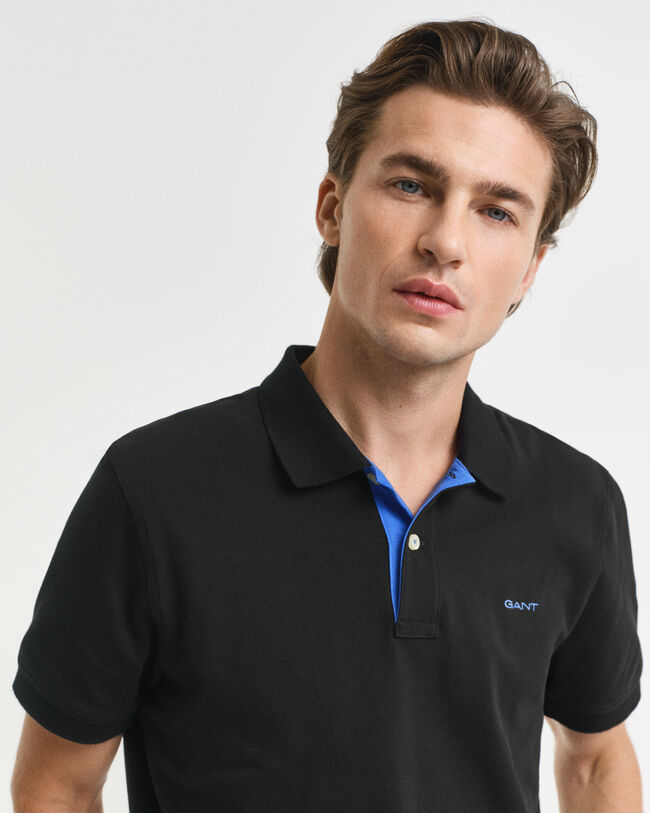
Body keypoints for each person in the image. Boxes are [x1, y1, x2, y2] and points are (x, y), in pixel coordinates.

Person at [11, 19, 643, 812]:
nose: (445, 241)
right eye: (411, 185)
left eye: (496, 211)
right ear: (333, 208)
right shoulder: (154, 489)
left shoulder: (575, 504)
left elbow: (594, 760)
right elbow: (58, 783)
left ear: (529, 270)